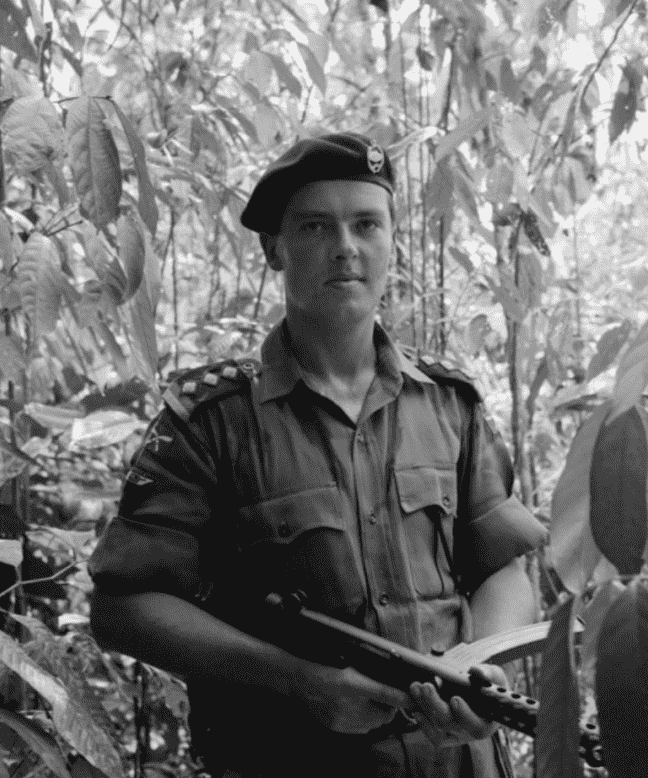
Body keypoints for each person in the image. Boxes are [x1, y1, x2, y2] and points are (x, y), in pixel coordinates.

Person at [88, 132, 549, 778]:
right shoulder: (212, 423)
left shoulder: (449, 406)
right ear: (273, 248)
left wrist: (479, 669)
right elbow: (122, 607)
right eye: (314, 227)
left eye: (367, 224)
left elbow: (503, 568)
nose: (345, 247)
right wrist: (296, 680)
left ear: (392, 240)